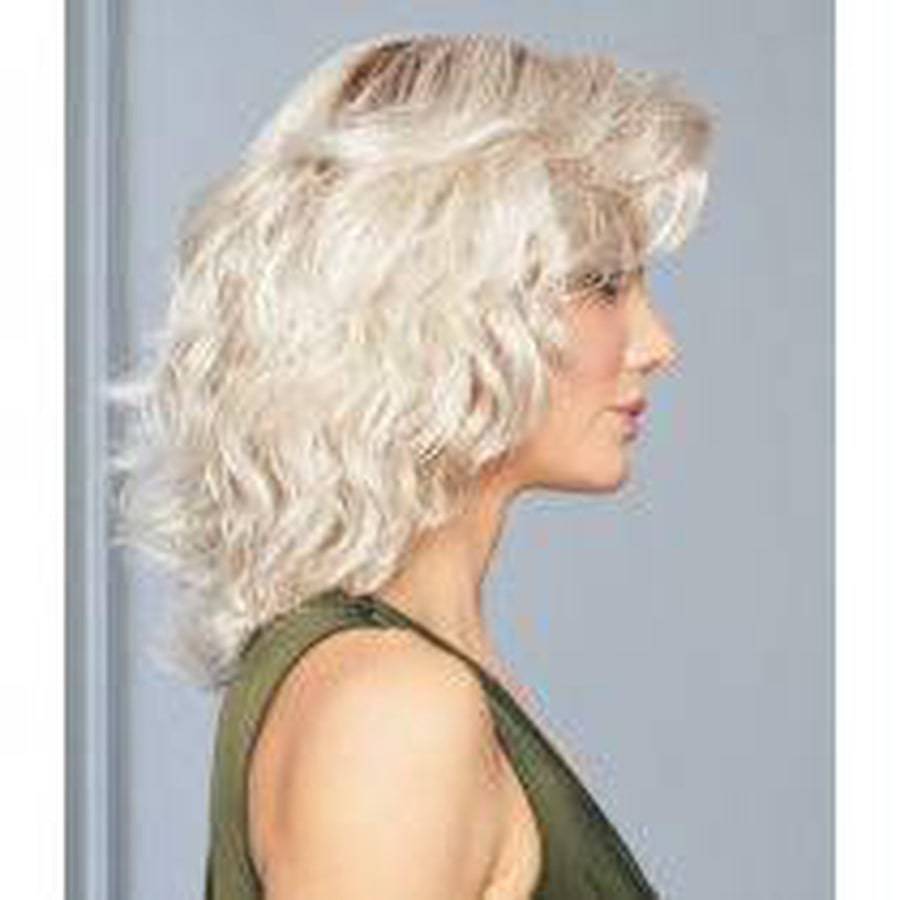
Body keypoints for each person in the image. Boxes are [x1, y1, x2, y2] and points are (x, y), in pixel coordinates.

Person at [107, 31, 715, 899]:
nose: (658, 344)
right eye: (607, 284)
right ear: (451, 303)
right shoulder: (392, 709)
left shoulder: (408, 679)